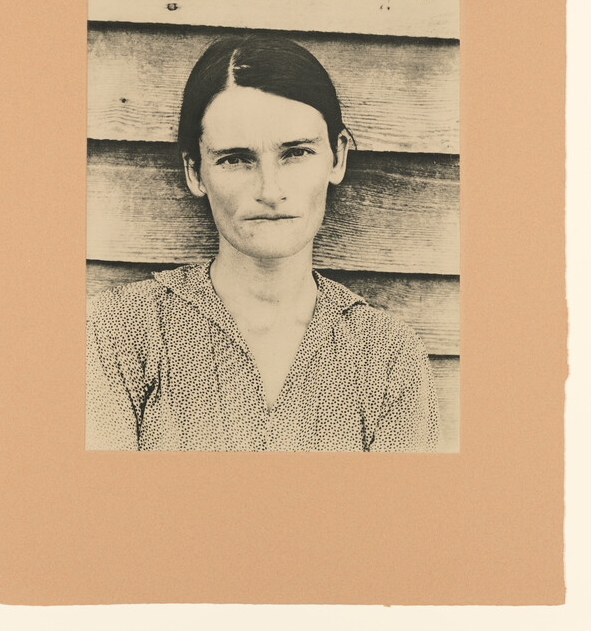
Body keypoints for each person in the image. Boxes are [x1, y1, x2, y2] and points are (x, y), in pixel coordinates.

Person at [86, 34, 439, 451]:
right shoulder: (117, 332)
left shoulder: (387, 355)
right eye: (236, 159)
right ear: (195, 172)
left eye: (297, 153)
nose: (271, 190)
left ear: (338, 157)